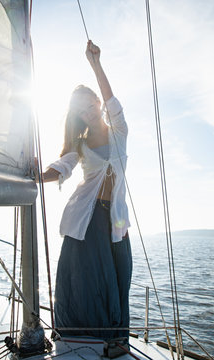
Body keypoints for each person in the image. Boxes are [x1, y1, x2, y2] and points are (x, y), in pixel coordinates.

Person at [39, 40, 132, 340]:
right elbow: (62, 167)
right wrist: (37, 176)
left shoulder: (119, 133)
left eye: (90, 105)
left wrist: (96, 65)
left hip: (116, 219)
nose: (87, 112)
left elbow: (114, 104)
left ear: (97, 101)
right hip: (87, 218)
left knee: (120, 276)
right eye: (80, 111)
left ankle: (116, 340)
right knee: (88, 281)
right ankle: (84, 337)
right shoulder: (79, 144)